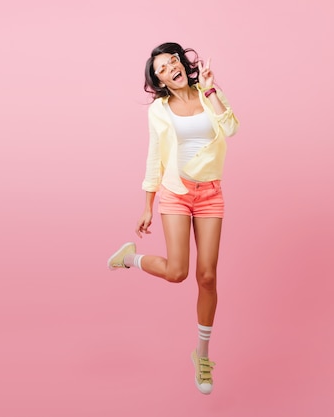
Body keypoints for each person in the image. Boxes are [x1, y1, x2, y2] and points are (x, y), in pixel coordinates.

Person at [107, 42, 239, 395]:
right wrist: (147, 205)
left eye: (172, 62)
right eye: (161, 69)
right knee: (178, 272)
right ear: (160, 81)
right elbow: (155, 155)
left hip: (210, 193)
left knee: (207, 276)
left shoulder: (207, 92)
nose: (170, 68)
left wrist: (212, 89)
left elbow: (232, 128)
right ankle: (130, 258)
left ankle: (202, 356)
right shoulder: (159, 111)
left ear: (182, 64)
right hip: (176, 193)